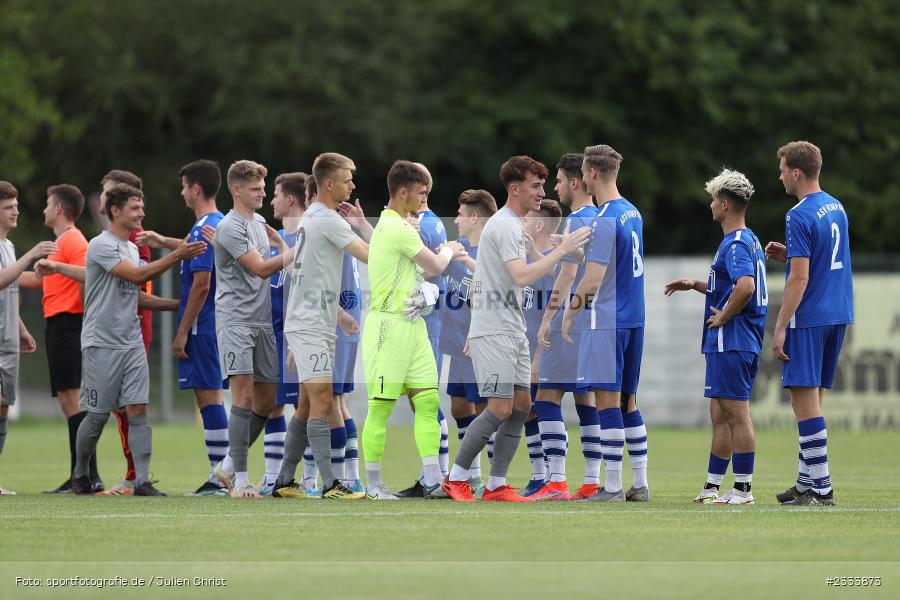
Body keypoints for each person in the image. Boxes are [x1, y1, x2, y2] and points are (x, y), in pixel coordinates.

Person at [37, 183, 206, 496]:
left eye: (141, 207)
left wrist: (179, 306)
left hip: (130, 343)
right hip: (102, 342)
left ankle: (142, 481)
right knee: (98, 414)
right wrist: (178, 254)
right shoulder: (101, 246)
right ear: (115, 211)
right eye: (134, 208)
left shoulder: (129, 247)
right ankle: (80, 472)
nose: (141, 213)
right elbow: (136, 276)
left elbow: (137, 297)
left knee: (138, 409)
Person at [443, 156, 590, 502]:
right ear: (515, 188)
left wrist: (556, 254)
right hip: (495, 332)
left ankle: (496, 485)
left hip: (510, 329)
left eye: (542, 185)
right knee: (499, 407)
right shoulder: (506, 225)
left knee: (522, 404)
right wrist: (564, 251)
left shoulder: (513, 227)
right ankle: (457, 476)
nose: (542, 192)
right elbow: (521, 276)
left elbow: (493, 276)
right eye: (535, 186)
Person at [359, 160, 465, 499]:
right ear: (402, 192)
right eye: (420, 194)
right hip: (389, 327)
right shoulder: (397, 227)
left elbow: (414, 273)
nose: (423, 200)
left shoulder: (401, 226)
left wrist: (426, 291)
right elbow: (436, 264)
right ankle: (373, 483)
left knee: (428, 399)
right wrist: (451, 248)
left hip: (413, 324)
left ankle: (432, 478)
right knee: (381, 405)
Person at [664, 168, 766, 505]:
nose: (710, 205)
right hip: (733, 340)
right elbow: (733, 286)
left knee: (737, 415)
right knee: (720, 414)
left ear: (724, 204)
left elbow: (745, 287)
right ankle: (711, 486)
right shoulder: (748, 240)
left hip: (733, 339)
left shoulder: (735, 243)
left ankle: (743, 489)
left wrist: (723, 315)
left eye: (712, 199)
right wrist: (696, 285)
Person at [271, 152, 369, 500]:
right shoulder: (327, 220)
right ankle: (330, 485)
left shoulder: (313, 215)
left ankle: (284, 480)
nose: (352, 185)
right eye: (347, 179)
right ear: (329, 183)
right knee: (323, 401)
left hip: (312, 320)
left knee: (307, 405)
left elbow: (309, 273)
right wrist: (395, 238)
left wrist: (339, 314)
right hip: (310, 325)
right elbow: (371, 255)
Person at [766, 141, 852, 506]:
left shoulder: (797, 214)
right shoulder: (836, 206)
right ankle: (805, 485)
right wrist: (791, 255)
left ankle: (823, 488)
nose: (780, 175)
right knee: (812, 401)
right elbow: (823, 258)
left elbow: (799, 279)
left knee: (805, 404)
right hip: (839, 312)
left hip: (811, 317)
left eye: (783, 168)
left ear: (796, 173)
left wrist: (782, 324)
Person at [136, 160, 229, 496]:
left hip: (203, 326)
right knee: (212, 398)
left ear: (195, 189)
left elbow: (201, 285)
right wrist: (163, 239)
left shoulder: (204, 225)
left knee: (209, 399)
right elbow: (192, 246)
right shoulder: (215, 223)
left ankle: (219, 478)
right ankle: (222, 474)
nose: (181, 193)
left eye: (184, 186)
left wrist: (181, 331)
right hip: (216, 324)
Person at [562, 144, 649, 503]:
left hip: (606, 320)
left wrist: (569, 314)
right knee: (629, 401)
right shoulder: (632, 213)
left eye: (583, 172)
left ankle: (611, 486)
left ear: (592, 174)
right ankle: (640, 483)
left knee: (606, 401)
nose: (581, 178)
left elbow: (593, 280)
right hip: (634, 318)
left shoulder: (602, 218)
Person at [208, 160, 290, 499]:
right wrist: (298, 250)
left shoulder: (259, 223)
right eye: (256, 189)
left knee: (268, 401)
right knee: (242, 397)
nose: (263, 193)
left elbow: (276, 265)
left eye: (263, 188)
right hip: (236, 322)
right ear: (236, 190)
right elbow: (259, 269)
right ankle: (241, 479)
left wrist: (286, 249)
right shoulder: (230, 227)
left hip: (261, 321)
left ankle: (226, 466)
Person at [20, 185, 104, 494]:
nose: (43, 210)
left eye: (46, 204)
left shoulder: (73, 240)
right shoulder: (60, 243)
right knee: (72, 402)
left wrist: (84, 318)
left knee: (74, 402)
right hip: (59, 326)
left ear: (58, 209)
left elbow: (87, 276)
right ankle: (83, 475)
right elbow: (36, 280)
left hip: (70, 324)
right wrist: (9, 273)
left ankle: (84, 476)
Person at [530, 153, 599, 501]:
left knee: (546, 396)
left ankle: (555, 480)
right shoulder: (602, 217)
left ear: (575, 182)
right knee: (586, 397)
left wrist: (548, 320)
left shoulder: (575, 220)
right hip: (594, 321)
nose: (554, 187)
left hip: (569, 321)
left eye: (557, 181)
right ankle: (592, 480)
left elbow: (569, 276)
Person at [94, 169, 154, 496]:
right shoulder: (111, 239)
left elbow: (138, 286)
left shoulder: (134, 238)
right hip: (117, 332)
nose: (102, 198)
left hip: (127, 333)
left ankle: (134, 476)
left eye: (105, 192)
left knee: (126, 407)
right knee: (121, 407)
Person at [433, 190, 497, 497]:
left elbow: (494, 281)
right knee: (460, 407)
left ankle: (491, 479)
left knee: (488, 409)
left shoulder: (491, 245)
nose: (456, 218)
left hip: (480, 341)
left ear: (474, 216)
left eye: (460, 213)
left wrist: (464, 258)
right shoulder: (456, 246)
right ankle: (471, 476)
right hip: (457, 342)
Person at [395, 163, 453, 497]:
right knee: (422, 402)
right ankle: (434, 476)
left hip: (425, 324)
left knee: (425, 401)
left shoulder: (423, 226)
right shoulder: (427, 223)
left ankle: (437, 477)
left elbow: (425, 275)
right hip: (427, 323)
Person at [0, 181, 57, 495]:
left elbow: (12, 284)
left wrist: (20, 328)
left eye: (16, 205)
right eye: (8, 207)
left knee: (2, 408)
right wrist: (31, 255)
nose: (16, 211)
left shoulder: (7, 246)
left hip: (7, 339)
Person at [258, 171, 307, 495]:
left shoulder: (306, 236)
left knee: (310, 404)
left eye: (275, 194)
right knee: (274, 406)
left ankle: (314, 477)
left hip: (300, 333)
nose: (271, 200)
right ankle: (272, 476)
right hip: (273, 334)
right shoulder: (273, 237)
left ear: (290, 199)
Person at [520, 199, 562, 497]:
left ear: (537, 226)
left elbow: (551, 311)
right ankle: (540, 476)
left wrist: (537, 355)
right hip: (524, 348)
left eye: (526, 218)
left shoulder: (551, 264)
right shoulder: (532, 261)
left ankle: (551, 477)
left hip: (543, 349)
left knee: (539, 408)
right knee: (527, 412)